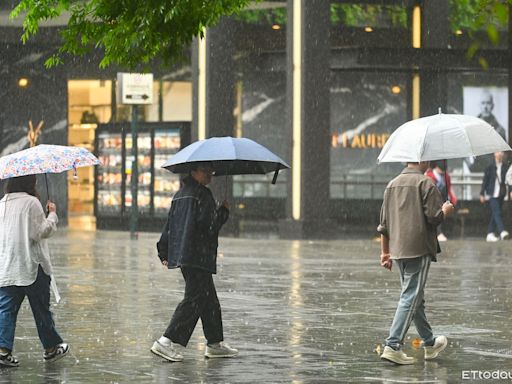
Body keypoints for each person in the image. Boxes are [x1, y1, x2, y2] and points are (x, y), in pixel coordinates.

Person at [151, 162, 238, 362]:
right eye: (205, 171)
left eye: (211, 171)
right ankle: (167, 341)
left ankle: (215, 343)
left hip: (186, 255)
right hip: (199, 255)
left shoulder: (180, 195)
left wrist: (163, 251)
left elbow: (170, 226)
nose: (210, 174)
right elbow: (210, 228)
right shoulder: (203, 195)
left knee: (208, 299)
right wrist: (223, 212)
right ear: (194, 172)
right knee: (194, 299)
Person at [377, 161, 454, 365]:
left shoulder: (391, 184)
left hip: (398, 250)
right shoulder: (426, 184)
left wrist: (385, 252)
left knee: (414, 297)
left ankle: (429, 343)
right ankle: (393, 345)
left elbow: (383, 225)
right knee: (411, 297)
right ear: (422, 161)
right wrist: (446, 210)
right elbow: (434, 218)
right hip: (418, 249)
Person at [0, 175, 69, 367]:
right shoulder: (32, 203)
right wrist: (52, 215)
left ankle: (3, 350)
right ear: (30, 182)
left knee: (6, 310)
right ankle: (51, 348)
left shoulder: (2, 203)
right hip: (31, 265)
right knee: (40, 309)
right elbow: (40, 233)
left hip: (7, 266)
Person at [466, 91, 507, 173]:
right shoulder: (470, 127)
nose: (485, 106)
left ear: (492, 106)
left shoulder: (500, 130)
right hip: (476, 172)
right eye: (483, 103)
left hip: (492, 172)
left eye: (488, 103)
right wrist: (470, 164)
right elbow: (464, 148)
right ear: (479, 105)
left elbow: (503, 154)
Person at [480, 151, 509, 242]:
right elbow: (485, 181)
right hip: (491, 194)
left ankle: (490, 233)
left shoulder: (505, 167)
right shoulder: (490, 167)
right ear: (494, 154)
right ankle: (502, 231)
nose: (500, 154)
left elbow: (508, 180)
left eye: (501, 152)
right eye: (498, 152)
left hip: (501, 194)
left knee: (495, 213)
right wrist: (482, 193)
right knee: (497, 212)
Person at [425, 161, 458, 242]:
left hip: (443, 199)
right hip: (432, 200)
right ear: (436, 167)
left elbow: (449, 188)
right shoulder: (429, 175)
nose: (442, 172)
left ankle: (444, 232)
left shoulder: (446, 176)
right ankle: (438, 233)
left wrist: (453, 198)